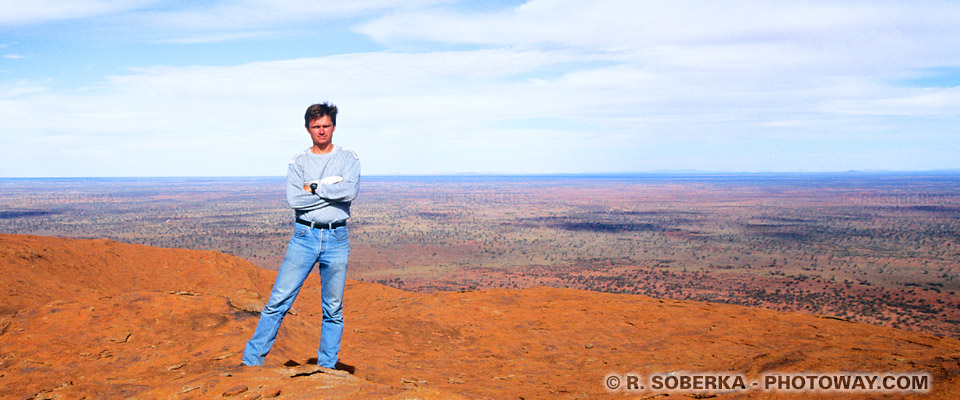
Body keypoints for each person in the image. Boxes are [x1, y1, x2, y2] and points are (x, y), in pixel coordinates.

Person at [242, 102, 360, 369]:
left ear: (334, 127)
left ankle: (327, 368)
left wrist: (315, 187)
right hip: (304, 236)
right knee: (278, 301)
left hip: (337, 237)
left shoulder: (349, 158)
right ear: (308, 128)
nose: (322, 131)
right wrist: (333, 190)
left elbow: (350, 192)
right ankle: (251, 362)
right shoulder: (299, 161)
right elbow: (294, 198)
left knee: (333, 309)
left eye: (326, 126)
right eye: (316, 126)